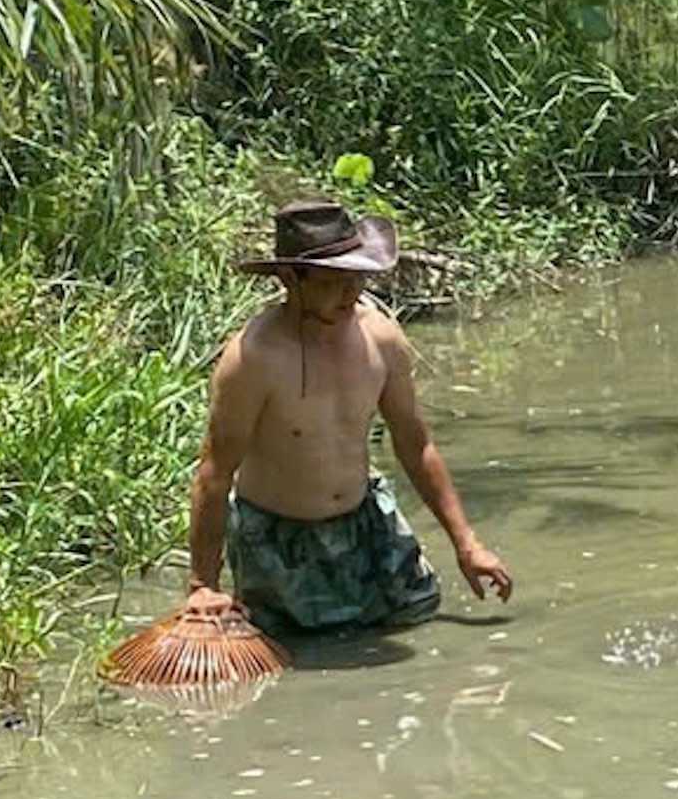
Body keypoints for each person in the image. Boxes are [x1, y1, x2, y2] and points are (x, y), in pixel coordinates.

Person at [186, 199, 513, 638]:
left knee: (419, 625)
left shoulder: (379, 336)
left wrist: (467, 544)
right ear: (288, 278)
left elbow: (415, 443)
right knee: (308, 653)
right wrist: (203, 585)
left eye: (358, 277)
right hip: (280, 539)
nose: (351, 292)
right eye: (332, 281)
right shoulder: (254, 357)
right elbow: (215, 471)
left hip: (367, 520)